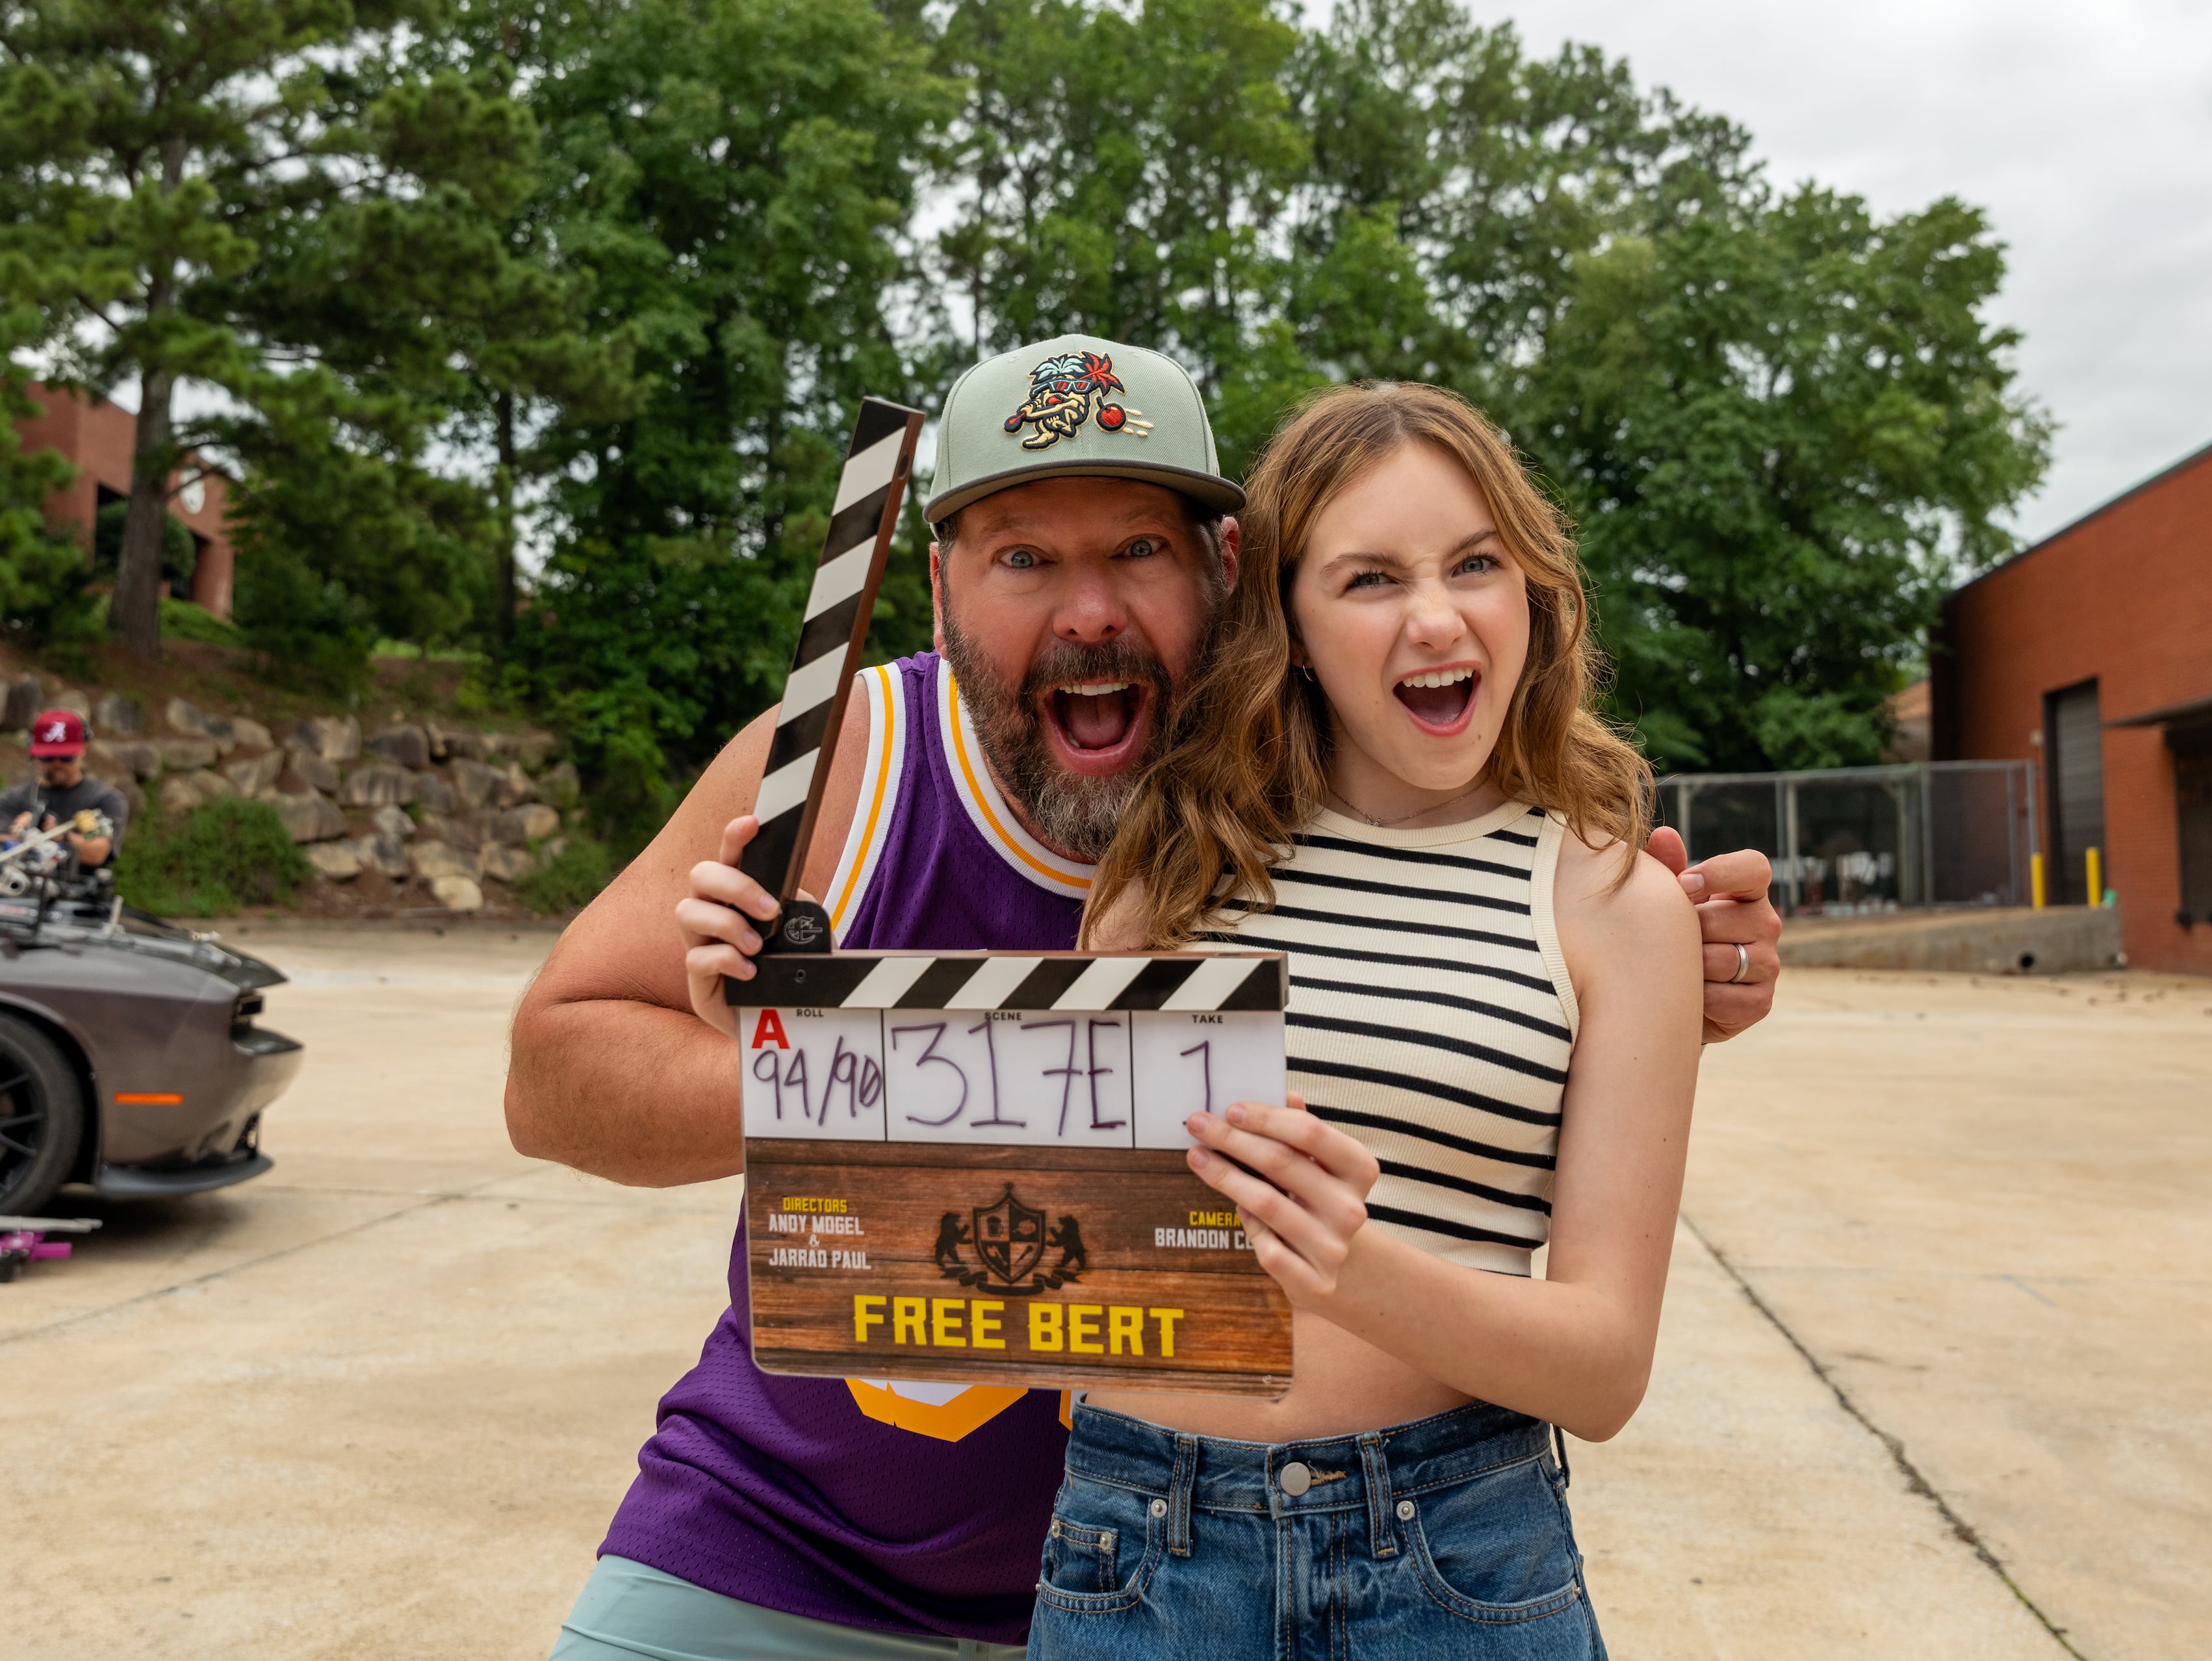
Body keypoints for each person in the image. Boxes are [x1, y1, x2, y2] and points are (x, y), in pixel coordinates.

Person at [509, 335, 1784, 1660]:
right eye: (1022, 557)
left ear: (1230, 581)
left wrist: (1660, 961)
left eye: (1137, 550)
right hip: (801, 1537)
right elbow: (552, 1080)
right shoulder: (855, 766)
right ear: (940, 586)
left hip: (1246, 1555)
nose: (1089, 613)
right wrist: (792, 1065)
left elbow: (1500, 993)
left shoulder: (1266, 839)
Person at [1022, 381, 1697, 1655]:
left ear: (1534, 590)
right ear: (1289, 621)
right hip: (1140, 1551)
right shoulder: (1162, 867)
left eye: (1475, 563)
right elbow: (1039, 1238)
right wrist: (775, 1004)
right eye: (1371, 579)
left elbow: (1606, 1369)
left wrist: (1351, 1268)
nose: (1437, 617)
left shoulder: (1614, 901)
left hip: (1458, 1551)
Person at [1, 711, 128, 868]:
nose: (57, 763)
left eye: (66, 757)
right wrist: (22, 832)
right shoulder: (12, 798)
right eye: (48, 756)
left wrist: (60, 835)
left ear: (83, 749)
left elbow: (99, 853)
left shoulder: (105, 799)